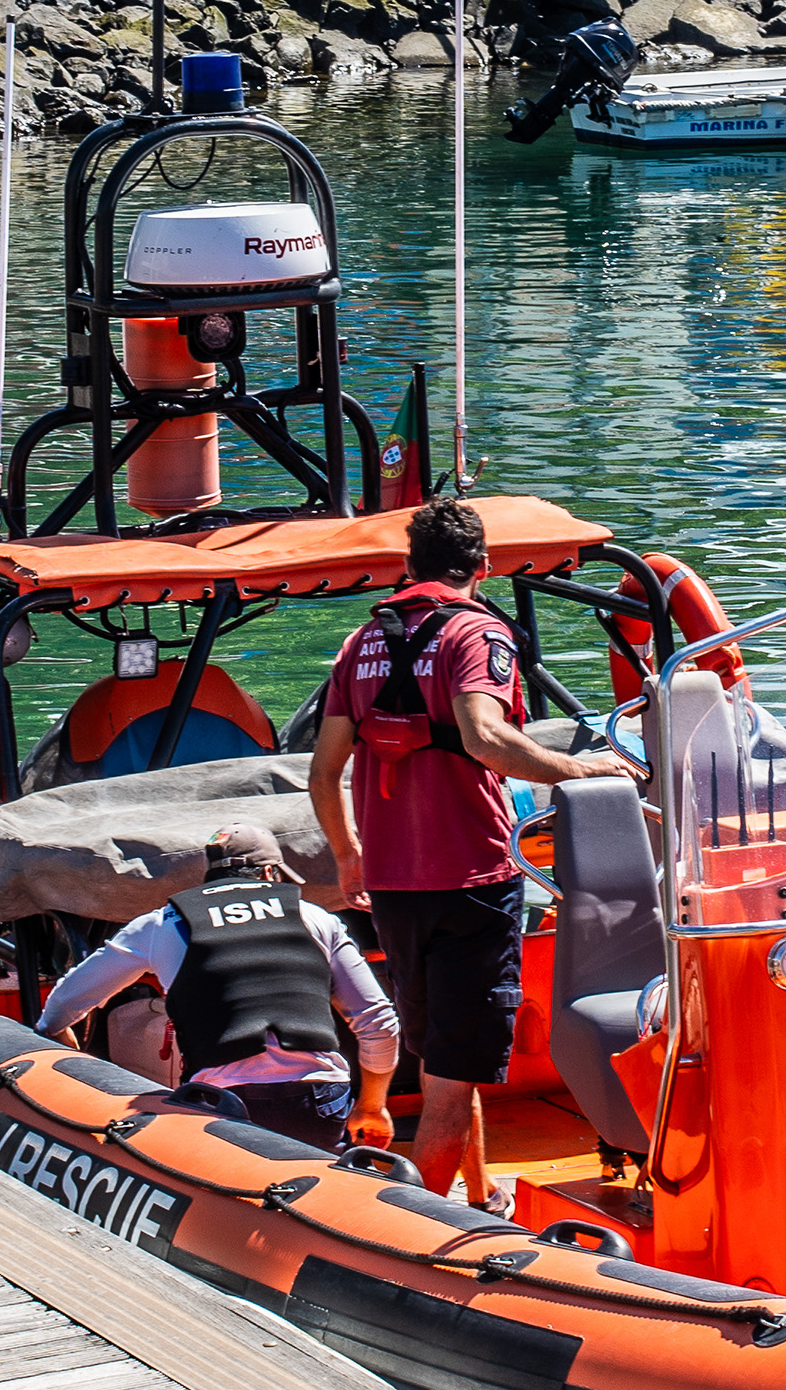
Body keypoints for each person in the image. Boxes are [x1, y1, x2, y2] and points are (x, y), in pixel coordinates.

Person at [305, 500, 634, 1204]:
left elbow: (323, 771)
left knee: (445, 1065)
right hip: (471, 880)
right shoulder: (478, 632)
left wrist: (347, 855)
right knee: (454, 1082)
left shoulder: (361, 642)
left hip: (392, 886)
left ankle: (482, 1193)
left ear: (408, 569)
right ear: (480, 571)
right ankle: (409, 1238)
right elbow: (486, 738)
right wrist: (584, 770)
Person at [33, 823, 403, 1149]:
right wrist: (371, 1106)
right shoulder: (315, 918)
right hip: (318, 1101)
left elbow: (68, 997)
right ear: (271, 872)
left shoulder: (162, 924)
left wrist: (55, 1031)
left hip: (222, 1102)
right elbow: (378, 1022)